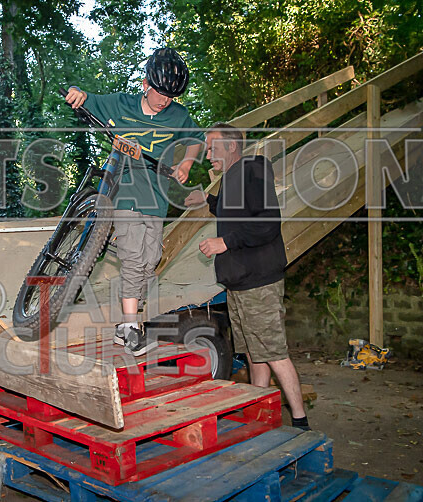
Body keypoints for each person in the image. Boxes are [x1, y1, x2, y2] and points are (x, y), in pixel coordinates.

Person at [64, 47, 204, 356]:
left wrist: (186, 163)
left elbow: (196, 139)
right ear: (145, 84)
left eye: (171, 96)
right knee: (133, 257)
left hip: (155, 197)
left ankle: (124, 325)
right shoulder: (122, 104)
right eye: (160, 93)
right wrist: (76, 93)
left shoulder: (178, 116)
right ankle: (130, 326)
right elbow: (87, 99)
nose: (164, 100)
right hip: (123, 189)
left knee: (150, 261)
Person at [185, 123, 310, 430]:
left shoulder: (252, 170)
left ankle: (301, 422)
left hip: (259, 281)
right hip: (240, 283)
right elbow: (235, 213)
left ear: (231, 147)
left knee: (274, 352)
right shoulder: (232, 178)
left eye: (213, 148)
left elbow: (268, 222)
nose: (208, 155)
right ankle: (261, 417)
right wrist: (208, 200)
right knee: (256, 354)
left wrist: (225, 242)